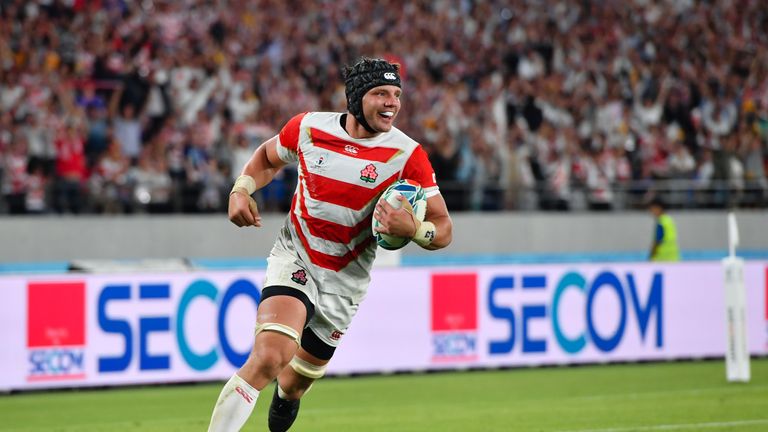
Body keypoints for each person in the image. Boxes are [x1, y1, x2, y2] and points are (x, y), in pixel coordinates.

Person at [207, 57, 453, 432]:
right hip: (297, 256)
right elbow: (267, 157)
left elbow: (444, 227)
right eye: (380, 93)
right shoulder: (308, 128)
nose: (392, 103)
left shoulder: (407, 155)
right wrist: (241, 189)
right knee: (270, 357)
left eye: (397, 94)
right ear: (356, 98)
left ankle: (286, 398)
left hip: (345, 281)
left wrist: (416, 228)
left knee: (293, 382)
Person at [648, 197, 681, 261]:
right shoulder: (669, 220)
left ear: (658, 208)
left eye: (652, 209)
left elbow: (657, 241)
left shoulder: (661, 222)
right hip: (674, 257)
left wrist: (651, 256)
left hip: (662, 259)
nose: (651, 212)